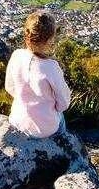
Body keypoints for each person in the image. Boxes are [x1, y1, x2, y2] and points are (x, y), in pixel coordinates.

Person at [5, 10, 71, 138]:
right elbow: (64, 103)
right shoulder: (51, 67)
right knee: (61, 120)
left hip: (18, 120)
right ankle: (61, 144)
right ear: (50, 39)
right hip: (43, 129)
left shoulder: (16, 55)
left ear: (27, 34)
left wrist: (26, 99)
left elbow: (9, 87)